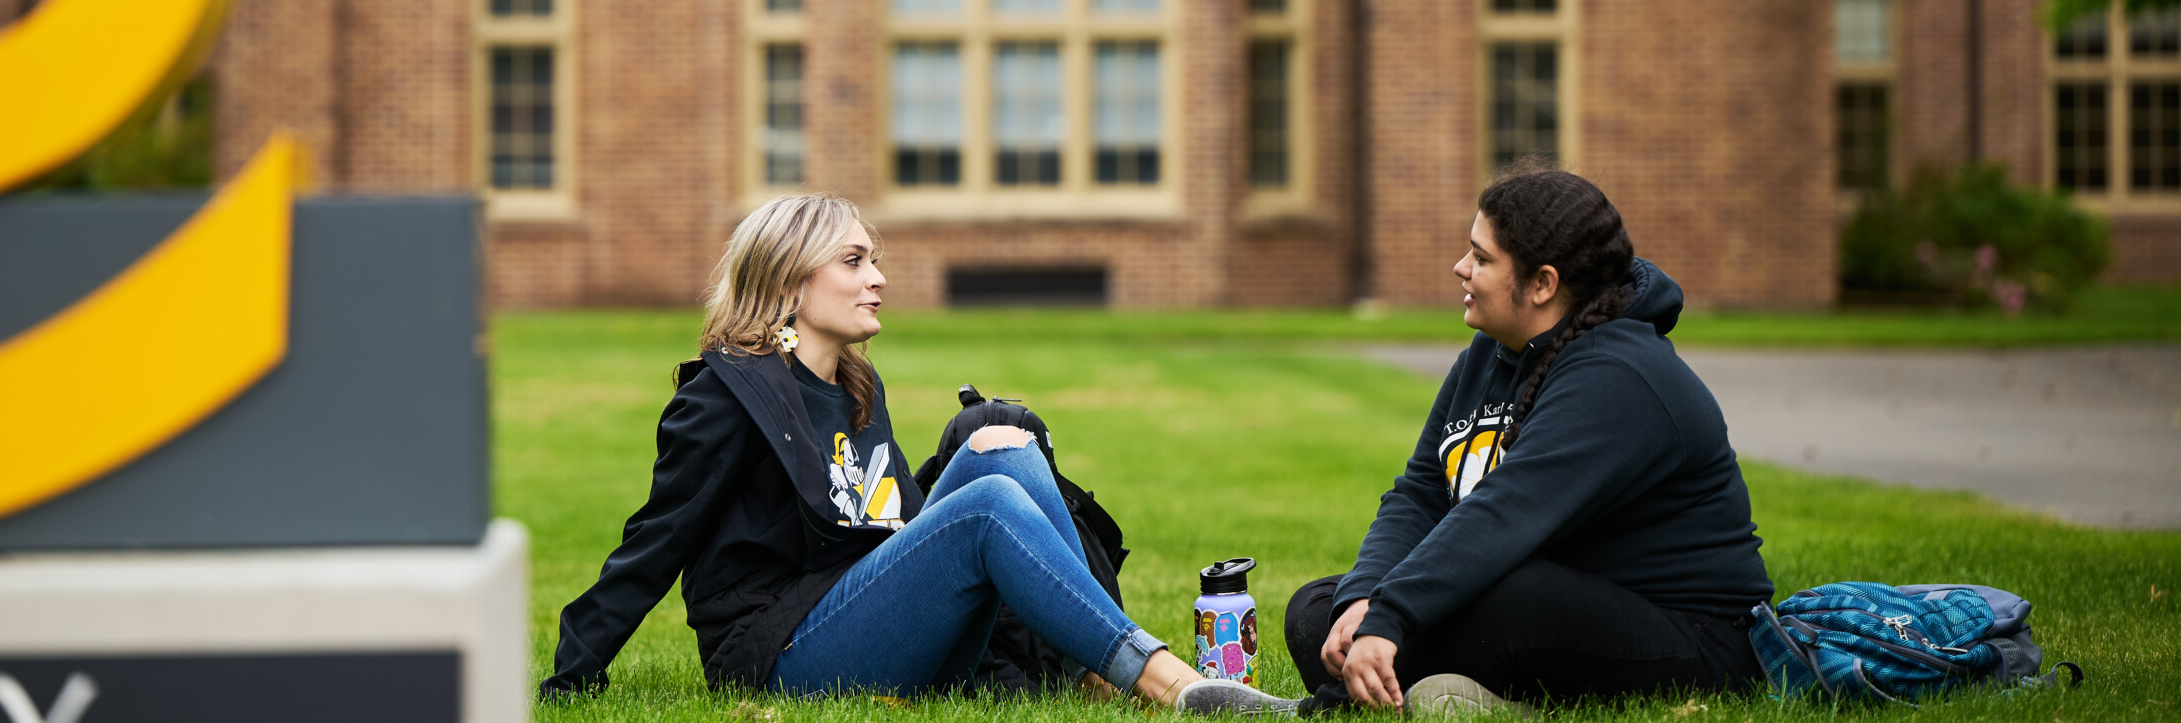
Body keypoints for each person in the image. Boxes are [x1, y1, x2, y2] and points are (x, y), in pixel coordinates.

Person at [541, 193, 1291, 712]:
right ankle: (1170, 684)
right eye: (855, 260)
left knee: (1006, 448)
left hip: (870, 622)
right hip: (782, 654)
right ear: (790, 278)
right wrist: (574, 673)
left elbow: (891, 530)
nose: (879, 279)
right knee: (988, 503)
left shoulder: (857, 386)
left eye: (874, 260)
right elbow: (657, 536)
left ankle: (1095, 663)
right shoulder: (728, 393)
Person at [1285, 169, 1771, 716]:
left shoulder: (1620, 376)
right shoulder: (1487, 356)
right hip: (1548, 600)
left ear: (1542, 283)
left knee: (1509, 601)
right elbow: (1421, 492)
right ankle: (1470, 697)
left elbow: (1504, 515)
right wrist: (1365, 597)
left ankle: (1314, 710)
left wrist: (1391, 616)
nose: (1461, 268)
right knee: (1315, 610)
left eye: (1482, 258)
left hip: (1692, 637)